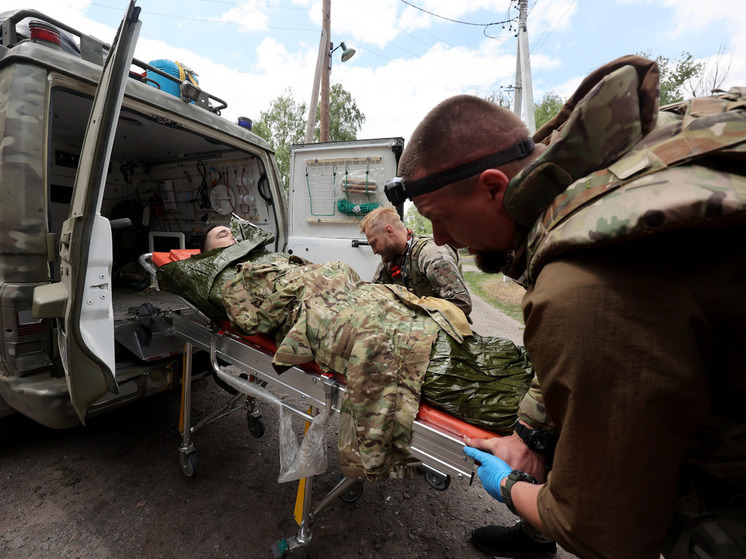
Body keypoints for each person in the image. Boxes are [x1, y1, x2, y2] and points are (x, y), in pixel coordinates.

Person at [389, 55, 746, 558]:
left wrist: (509, 487)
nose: (442, 238)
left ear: (494, 187)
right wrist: (527, 433)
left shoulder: (582, 285)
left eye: (440, 218)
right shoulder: (616, 163)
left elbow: (605, 533)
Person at [360, 206, 472, 316]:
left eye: (374, 243)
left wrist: (411, 313)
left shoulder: (430, 254)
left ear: (389, 231)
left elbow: (462, 304)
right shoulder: (390, 257)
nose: (374, 251)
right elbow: (375, 294)